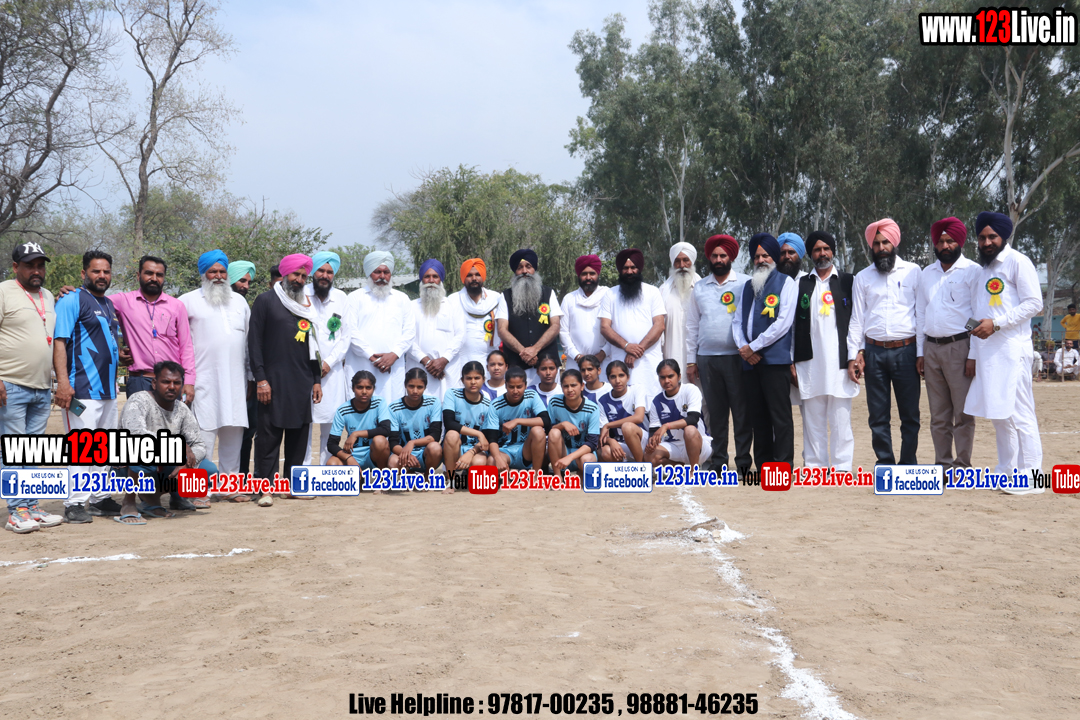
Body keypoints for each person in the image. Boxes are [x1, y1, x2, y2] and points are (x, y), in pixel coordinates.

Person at [964, 212, 1044, 489]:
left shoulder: (1017, 262)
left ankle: (1032, 478)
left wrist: (997, 324)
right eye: (982, 237)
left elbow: (1034, 303)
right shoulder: (982, 271)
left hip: (1012, 350)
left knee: (1021, 413)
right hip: (988, 354)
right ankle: (1007, 472)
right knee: (1000, 415)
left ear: (1003, 237)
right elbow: (977, 314)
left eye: (992, 237)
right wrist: (973, 354)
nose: (986, 242)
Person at [249, 254, 323, 505]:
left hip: (301, 381)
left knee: (299, 436)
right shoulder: (265, 301)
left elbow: (314, 346)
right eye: (295, 274)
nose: (299, 280)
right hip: (272, 382)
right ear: (284, 275)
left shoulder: (306, 306)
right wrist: (261, 379)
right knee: (268, 437)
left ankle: (291, 486)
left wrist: (316, 379)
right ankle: (265, 489)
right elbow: (254, 344)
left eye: (303, 276)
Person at [54, 250, 121, 523]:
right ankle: (74, 504)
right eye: (96, 271)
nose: (102, 276)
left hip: (108, 390)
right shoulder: (72, 299)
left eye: (106, 271)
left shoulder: (109, 304)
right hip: (81, 389)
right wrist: (63, 383)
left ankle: (99, 498)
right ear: (84, 273)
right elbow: (60, 341)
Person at [847, 218, 921, 465]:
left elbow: (921, 315)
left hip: (906, 351)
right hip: (874, 353)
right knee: (878, 417)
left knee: (910, 416)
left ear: (894, 243)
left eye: (885, 242)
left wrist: (921, 353)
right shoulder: (862, 277)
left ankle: (908, 464)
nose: (881, 248)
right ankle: (885, 464)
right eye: (876, 243)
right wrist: (855, 354)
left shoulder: (913, 271)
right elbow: (857, 319)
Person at [2, 241, 64, 533]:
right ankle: (16, 511)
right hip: (10, 384)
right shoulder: (3, 291)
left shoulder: (48, 296)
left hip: (41, 387)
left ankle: (32, 506)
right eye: (30, 265)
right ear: (16, 267)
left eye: (40, 265)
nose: (36, 271)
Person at [180, 250, 251, 500]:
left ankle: (228, 488)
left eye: (222, 271)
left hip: (237, 382)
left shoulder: (240, 302)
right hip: (203, 381)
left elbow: (249, 344)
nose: (218, 276)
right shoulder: (187, 301)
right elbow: (180, 343)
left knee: (234, 433)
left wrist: (251, 377)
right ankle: (200, 491)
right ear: (203, 274)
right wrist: (186, 380)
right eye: (213, 272)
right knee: (203, 435)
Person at [117, 361, 218, 523]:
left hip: (161, 465)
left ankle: (160, 498)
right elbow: (136, 434)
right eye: (166, 382)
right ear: (154, 383)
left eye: (176, 383)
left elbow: (199, 445)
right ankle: (128, 503)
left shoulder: (182, 409)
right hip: (125, 467)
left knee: (208, 470)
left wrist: (185, 463)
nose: (171, 387)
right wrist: (178, 445)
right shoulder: (139, 400)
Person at [792, 231, 858, 471]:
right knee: (812, 419)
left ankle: (842, 468)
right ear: (811, 255)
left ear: (833, 251)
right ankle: (815, 467)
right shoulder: (801, 283)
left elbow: (857, 321)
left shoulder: (848, 282)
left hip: (840, 362)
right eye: (817, 250)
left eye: (826, 249)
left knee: (841, 418)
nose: (822, 254)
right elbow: (791, 326)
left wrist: (856, 356)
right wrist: (791, 361)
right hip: (808, 363)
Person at [686, 234, 751, 475]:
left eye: (723, 255)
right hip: (707, 359)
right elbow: (692, 325)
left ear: (731, 257)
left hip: (738, 358)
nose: (719, 259)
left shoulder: (745, 283)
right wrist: (691, 361)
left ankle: (743, 462)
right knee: (716, 413)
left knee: (742, 412)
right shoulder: (700, 287)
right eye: (714, 255)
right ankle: (719, 461)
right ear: (709, 258)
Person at [731, 233, 797, 468]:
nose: (761, 260)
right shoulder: (748, 287)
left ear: (774, 258)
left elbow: (783, 323)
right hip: (750, 363)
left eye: (765, 255)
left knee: (780, 417)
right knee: (757, 417)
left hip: (774, 362)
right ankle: (763, 465)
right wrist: (743, 348)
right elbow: (737, 321)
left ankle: (783, 466)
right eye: (757, 256)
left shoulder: (786, 283)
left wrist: (753, 346)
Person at [916, 217, 978, 468]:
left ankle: (962, 466)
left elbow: (977, 314)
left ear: (959, 242)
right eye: (940, 241)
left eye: (950, 240)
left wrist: (972, 353)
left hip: (960, 348)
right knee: (938, 414)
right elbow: (921, 314)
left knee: (963, 413)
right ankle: (942, 464)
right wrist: (920, 352)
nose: (945, 245)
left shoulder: (972, 271)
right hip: (931, 349)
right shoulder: (926, 273)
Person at [111, 255, 195, 400]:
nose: (154, 278)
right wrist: (115, 350)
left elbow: (186, 346)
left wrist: (189, 381)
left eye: (159, 275)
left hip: (171, 381)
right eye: (149, 273)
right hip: (139, 381)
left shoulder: (176, 306)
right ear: (138, 275)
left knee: (174, 417)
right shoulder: (123, 302)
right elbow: (93, 304)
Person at [346, 251, 415, 405]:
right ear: (369, 273)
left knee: (392, 407)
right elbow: (350, 332)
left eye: (386, 272)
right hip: (362, 364)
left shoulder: (402, 299)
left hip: (393, 366)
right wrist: (373, 357)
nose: (382, 276)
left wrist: (394, 354)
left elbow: (410, 332)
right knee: (361, 409)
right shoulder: (355, 298)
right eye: (377, 272)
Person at [304, 251, 352, 466]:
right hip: (304, 370)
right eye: (320, 270)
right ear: (313, 272)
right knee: (304, 424)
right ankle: (303, 470)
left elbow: (345, 336)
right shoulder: (301, 295)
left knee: (331, 424)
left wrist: (328, 363)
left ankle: (325, 470)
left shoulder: (341, 298)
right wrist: (313, 364)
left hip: (332, 372)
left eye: (329, 272)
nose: (324, 275)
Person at [600, 248, 666, 398]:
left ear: (639, 268)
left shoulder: (653, 292)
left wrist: (637, 350)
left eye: (633, 267)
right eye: (625, 268)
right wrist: (626, 346)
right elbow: (604, 327)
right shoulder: (610, 294)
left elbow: (659, 325)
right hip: (620, 360)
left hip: (649, 360)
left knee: (651, 399)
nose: (629, 272)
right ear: (620, 270)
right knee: (623, 401)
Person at [496, 248, 563, 386]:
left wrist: (535, 349)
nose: (524, 271)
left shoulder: (549, 293)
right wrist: (524, 352)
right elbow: (502, 329)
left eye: (528, 266)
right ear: (515, 271)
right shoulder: (505, 296)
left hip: (546, 366)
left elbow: (555, 325)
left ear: (534, 269)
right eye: (519, 268)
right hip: (516, 366)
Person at [408, 259, 464, 400]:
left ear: (441, 280)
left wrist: (444, 360)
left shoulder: (453, 306)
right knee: (420, 407)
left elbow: (461, 336)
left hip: (447, 369)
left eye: (435, 276)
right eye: (427, 276)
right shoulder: (411, 306)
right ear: (421, 280)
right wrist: (426, 361)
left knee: (448, 406)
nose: (431, 281)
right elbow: (406, 338)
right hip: (419, 368)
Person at [442, 361, 500, 488]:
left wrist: (472, 452)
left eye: (477, 378)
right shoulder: (452, 394)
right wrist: (478, 433)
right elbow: (449, 423)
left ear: (483, 379)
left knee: (479, 462)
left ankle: (466, 476)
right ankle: (451, 481)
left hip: (475, 449)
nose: (473, 382)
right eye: (468, 378)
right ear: (462, 380)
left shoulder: (488, 405)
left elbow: (486, 440)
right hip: (453, 447)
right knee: (452, 434)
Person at [644, 360, 713, 467]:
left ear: (679, 376)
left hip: (699, 445)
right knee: (649, 456)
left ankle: (693, 471)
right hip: (673, 446)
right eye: (662, 377)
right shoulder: (656, 401)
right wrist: (651, 444)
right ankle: (682, 467)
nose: (666, 381)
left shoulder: (690, 390)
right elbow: (654, 431)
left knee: (689, 430)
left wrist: (666, 426)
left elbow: (693, 418)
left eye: (670, 376)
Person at [326, 371, 391, 476]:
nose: (364, 392)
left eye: (368, 388)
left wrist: (356, 434)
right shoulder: (343, 410)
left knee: (380, 441)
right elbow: (331, 444)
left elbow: (386, 430)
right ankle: (357, 479)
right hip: (353, 454)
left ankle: (383, 477)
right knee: (332, 464)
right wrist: (348, 458)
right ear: (353, 388)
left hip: (373, 453)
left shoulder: (379, 403)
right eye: (359, 387)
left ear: (373, 389)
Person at [227, 260, 258, 476]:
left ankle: (242, 476)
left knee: (245, 431)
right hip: (212, 381)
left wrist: (250, 378)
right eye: (241, 281)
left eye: (248, 282)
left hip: (243, 381)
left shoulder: (243, 306)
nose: (245, 286)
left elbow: (249, 346)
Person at [450, 258, 502, 383]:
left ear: (483, 276)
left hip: (490, 360)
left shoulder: (496, 298)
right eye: (469, 275)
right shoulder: (453, 300)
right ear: (463, 278)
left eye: (477, 274)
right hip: (461, 360)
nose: (474, 278)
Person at [489, 367, 550, 473]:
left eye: (519, 387)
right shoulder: (496, 405)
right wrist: (498, 458)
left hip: (525, 450)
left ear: (525, 385)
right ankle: (506, 476)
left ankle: (536, 475)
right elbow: (491, 439)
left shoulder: (531, 396)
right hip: (505, 451)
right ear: (505, 385)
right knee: (491, 460)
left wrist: (517, 421)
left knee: (538, 431)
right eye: (511, 387)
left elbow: (546, 421)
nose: (515, 391)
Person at [559, 254, 610, 372]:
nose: (588, 277)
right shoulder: (569, 299)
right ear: (579, 275)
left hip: (604, 361)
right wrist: (577, 356)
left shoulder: (608, 295)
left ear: (598, 275)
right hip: (575, 363)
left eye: (592, 273)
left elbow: (615, 329)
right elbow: (563, 332)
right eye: (584, 274)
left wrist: (602, 354)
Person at [547, 369, 601, 477]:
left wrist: (570, 457)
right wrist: (562, 425)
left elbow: (592, 442)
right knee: (554, 432)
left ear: (582, 386)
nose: (570, 390)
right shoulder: (554, 402)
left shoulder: (592, 408)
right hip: (562, 452)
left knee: (587, 460)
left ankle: (581, 474)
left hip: (583, 454)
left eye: (573, 385)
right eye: (566, 386)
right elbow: (548, 429)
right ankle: (558, 477)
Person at [388, 368, 443, 474]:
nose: (415, 391)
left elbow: (435, 435)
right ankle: (409, 472)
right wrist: (407, 455)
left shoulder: (433, 403)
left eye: (419, 387)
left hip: (427, 453)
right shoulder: (394, 408)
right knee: (392, 463)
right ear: (405, 385)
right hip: (404, 453)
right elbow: (393, 442)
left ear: (425, 387)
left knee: (435, 448)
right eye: (411, 386)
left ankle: (427, 475)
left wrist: (412, 442)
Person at [659, 242, 699, 372]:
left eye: (686, 260)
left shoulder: (702, 289)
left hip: (697, 357)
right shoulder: (663, 291)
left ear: (692, 261)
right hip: (671, 353)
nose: (682, 265)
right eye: (677, 261)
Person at [597, 361, 647, 463]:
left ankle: (642, 467)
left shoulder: (637, 389)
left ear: (628, 377)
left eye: (621, 375)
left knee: (627, 427)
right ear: (608, 379)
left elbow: (639, 417)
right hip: (622, 444)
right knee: (605, 452)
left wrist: (608, 425)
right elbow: (604, 435)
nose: (617, 381)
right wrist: (611, 441)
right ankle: (626, 468)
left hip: (642, 441)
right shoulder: (602, 401)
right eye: (613, 377)